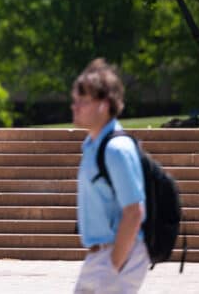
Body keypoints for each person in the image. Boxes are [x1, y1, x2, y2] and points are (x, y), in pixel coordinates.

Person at [71, 59, 150, 293]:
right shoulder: (91, 144)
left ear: (103, 105)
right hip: (99, 255)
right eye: (75, 100)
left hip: (119, 252)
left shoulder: (117, 149)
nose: (74, 107)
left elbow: (134, 211)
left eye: (82, 101)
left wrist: (114, 264)